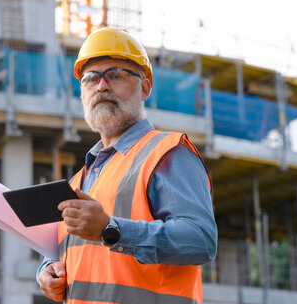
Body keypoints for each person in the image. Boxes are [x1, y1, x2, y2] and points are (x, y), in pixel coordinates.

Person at [37, 27, 217, 303]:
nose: (102, 85)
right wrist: (47, 270)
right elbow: (70, 254)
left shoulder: (167, 152)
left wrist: (111, 231)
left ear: (144, 87)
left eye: (115, 75)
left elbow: (200, 240)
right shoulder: (76, 183)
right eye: (90, 78)